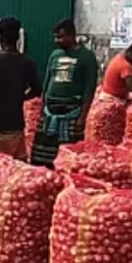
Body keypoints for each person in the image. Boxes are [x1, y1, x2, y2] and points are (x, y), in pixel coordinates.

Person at [31, 19, 99, 168]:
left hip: (71, 112)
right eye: (55, 37)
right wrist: (42, 108)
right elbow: (47, 82)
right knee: (42, 154)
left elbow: (89, 89)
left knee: (68, 154)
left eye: (61, 37)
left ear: (72, 35)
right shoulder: (55, 55)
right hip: (49, 112)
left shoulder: (86, 57)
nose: (57, 41)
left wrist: (82, 117)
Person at [0, 17, 42, 172]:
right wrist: (19, 97)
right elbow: (36, 90)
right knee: (15, 170)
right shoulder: (27, 63)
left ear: (1, 37)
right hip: (15, 123)